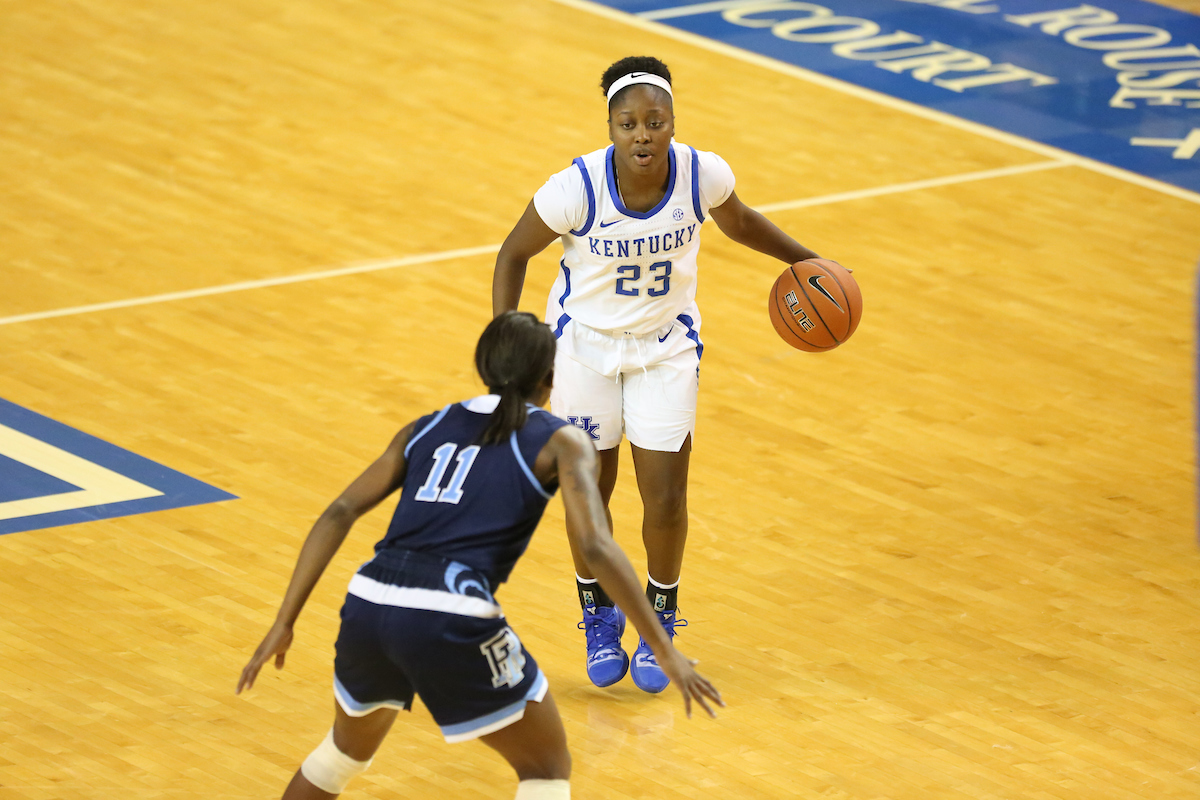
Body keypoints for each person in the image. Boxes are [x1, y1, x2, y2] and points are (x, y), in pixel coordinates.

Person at [237, 311, 723, 800]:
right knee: (546, 767)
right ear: (550, 379)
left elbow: (340, 511)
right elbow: (596, 545)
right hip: (451, 610)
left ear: (483, 366)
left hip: (369, 601)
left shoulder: (425, 427)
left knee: (341, 756)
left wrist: (285, 620)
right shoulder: (560, 440)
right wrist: (661, 647)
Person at [492, 56, 824, 693]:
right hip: (583, 350)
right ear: (610, 129)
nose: (642, 133)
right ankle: (598, 613)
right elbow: (513, 254)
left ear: (673, 123)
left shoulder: (702, 175)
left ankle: (660, 620)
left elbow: (743, 222)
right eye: (628, 123)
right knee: (591, 492)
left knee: (666, 495)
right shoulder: (575, 188)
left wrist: (811, 261)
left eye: (655, 121)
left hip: (665, 349)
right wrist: (508, 342)